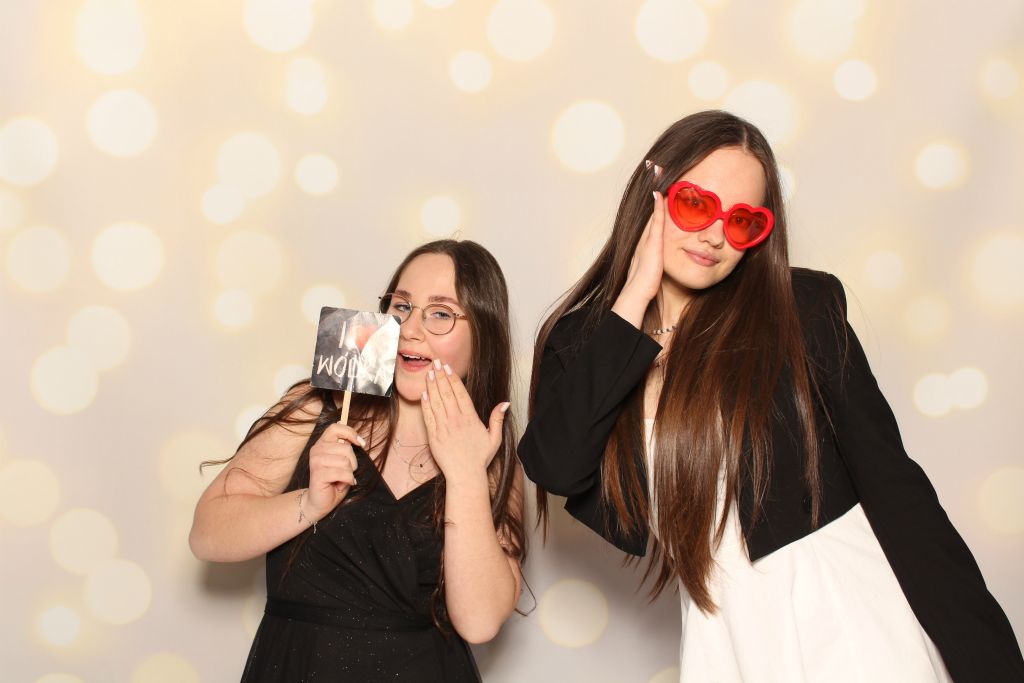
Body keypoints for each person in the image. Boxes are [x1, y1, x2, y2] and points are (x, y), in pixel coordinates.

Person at [518, 110, 1023, 681]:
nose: (715, 235)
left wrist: (992, 665)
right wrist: (634, 296)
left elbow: (897, 491)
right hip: (725, 631)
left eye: (742, 221)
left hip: (845, 616)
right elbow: (556, 465)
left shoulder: (800, 311)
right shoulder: (584, 341)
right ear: (652, 196)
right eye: (695, 205)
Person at [190, 239, 525, 682]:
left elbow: (480, 622)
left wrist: (465, 474)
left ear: (483, 335)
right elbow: (207, 535)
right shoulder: (317, 407)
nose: (410, 329)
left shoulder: (491, 452)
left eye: (441, 313)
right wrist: (308, 504)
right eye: (401, 306)